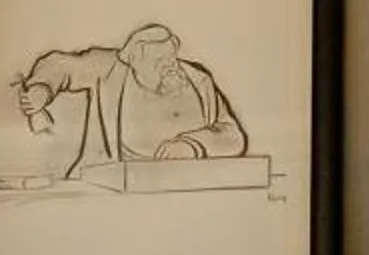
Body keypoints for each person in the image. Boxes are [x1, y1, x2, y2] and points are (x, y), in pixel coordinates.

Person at [15, 22, 247, 178]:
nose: (170, 66)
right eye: (158, 60)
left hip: (183, 191)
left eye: (171, 57)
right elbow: (58, 64)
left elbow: (233, 135)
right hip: (108, 190)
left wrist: (192, 146)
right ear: (134, 61)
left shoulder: (198, 80)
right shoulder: (109, 69)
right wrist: (41, 89)